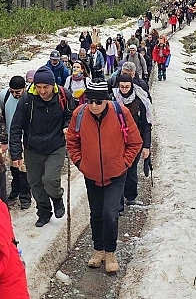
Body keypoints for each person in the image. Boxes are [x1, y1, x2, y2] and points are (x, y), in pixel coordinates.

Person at [65, 81, 142, 274]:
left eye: (98, 102)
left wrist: (124, 163)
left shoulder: (121, 113)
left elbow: (135, 142)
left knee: (110, 213)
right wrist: (80, 163)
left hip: (116, 174)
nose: (94, 105)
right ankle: (98, 249)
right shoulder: (79, 114)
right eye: (90, 101)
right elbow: (72, 141)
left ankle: (110, 252)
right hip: (91, 174)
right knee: (96, 213)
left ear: (106, 100)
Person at [9, 66, 75, 227]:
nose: (42, 91)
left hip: (55, 145)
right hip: (32, 147)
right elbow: (16, 126)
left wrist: (67, 125)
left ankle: (57, 198)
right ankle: (44, 212)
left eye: (45, 87)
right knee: (36, 183)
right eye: (38, 87)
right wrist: (16, 153)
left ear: (52, 85)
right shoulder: (27, 99)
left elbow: (71, 115)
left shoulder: (64, 95)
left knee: (50, 179)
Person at [112, 74, 152, 213]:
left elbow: (146, 124)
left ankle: (130, 196)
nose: (124, 89)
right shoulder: (113, 100)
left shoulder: (140, 101)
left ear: (131, 86)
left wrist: (147, 146)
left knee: (131, 168)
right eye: (121, 87)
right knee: (119, 169)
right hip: (117, 140)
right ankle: (118, 201)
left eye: (126, 87)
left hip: (135, 140)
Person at [0, 76, 31, 209]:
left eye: (17, 92)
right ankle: (15, 189)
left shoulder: (29, 98)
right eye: (12, 91)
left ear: (24, 88)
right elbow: (1, 114)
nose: (14, 94)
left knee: (23, 168)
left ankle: (25, 196)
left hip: (24, 138)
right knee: (13, 166)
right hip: (10, 137)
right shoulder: (4, 95)